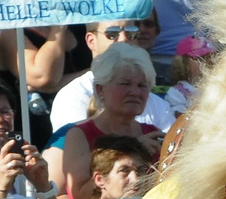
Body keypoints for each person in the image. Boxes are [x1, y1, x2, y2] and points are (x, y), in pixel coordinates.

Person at [48, 44, 161, 199]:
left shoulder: (152, 133)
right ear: (100, 89)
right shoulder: (79, 135)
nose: (135, 92)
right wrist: (135, 150)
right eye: (125, 84)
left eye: (142, 85)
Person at [48, 21, 177, 132]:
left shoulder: (157, 104)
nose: (123, 39)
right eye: (112, 34)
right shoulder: (74, 96)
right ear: (91, 41)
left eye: (131, 32)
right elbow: (73, 147)